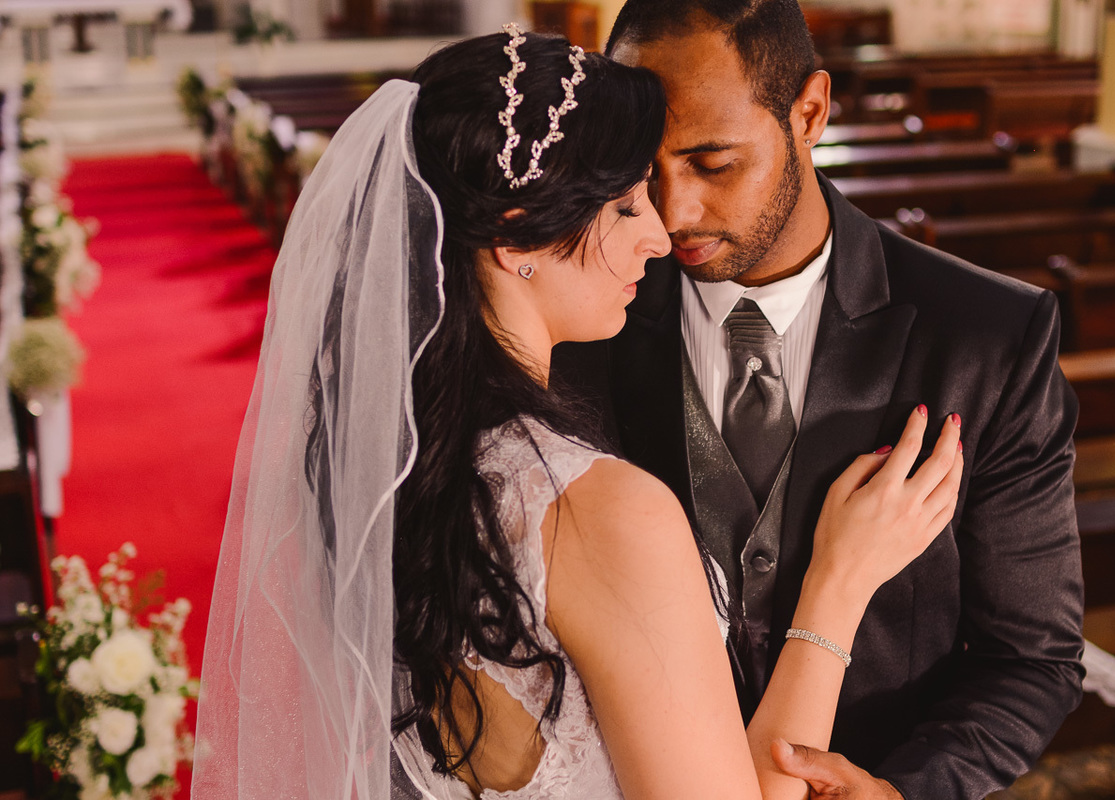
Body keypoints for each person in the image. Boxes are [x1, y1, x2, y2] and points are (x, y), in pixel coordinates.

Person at [191, 26, 963, 800]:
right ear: (517, 233)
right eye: (627, 207)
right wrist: (839, 583)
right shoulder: (597, 513)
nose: (660, 236)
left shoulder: (386, 458)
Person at [553, 1, 1087, 798]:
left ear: (809, 112)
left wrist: (905, 791)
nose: (672, 213)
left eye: (712, 161)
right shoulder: (582, 323)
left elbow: (1034, 659)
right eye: (645, 168)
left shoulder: (989, 337)